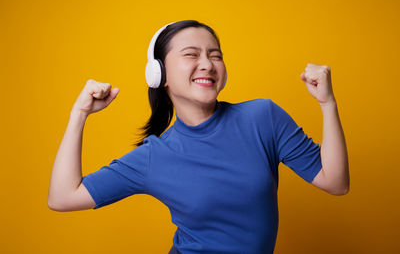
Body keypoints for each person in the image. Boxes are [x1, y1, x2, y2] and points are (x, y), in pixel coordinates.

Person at [48, 20, 350, 254]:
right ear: (159, 75)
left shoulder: (263, 117)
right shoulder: (155, 155)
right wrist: (79, 114)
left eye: (214, 55)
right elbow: (62, 197)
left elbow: (335, 182)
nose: (207, 63)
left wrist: (327, 104)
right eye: (191, 54)